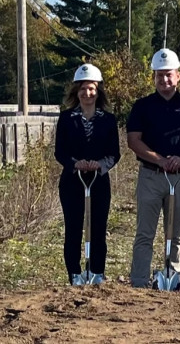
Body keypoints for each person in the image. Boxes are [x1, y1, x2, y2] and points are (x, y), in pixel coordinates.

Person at [126, 48, 180, 289]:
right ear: (153, 77)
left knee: (176, 232)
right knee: (144, 233)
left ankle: (174, 277)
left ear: (178, 76)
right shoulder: (142, 107)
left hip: (179, 177)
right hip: (150, 176)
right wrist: (160, 160)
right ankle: (139, 282)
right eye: (159, 75)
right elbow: (134, 140)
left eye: (168, 75)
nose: (164, 80)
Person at [54, 63, 121, 286]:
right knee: (73, 227)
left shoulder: (108, 120)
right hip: (72, 182)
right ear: (76, 92)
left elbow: (114, 153)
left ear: (98, 91)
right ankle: (74, 273)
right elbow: (60, 152)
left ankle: (97, 272)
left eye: (91, 88)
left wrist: (99, 164)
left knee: (98, 227)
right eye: (83, 89)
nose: (87, 93)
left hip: (98, 181)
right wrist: (76, 164)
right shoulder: (66, 118)